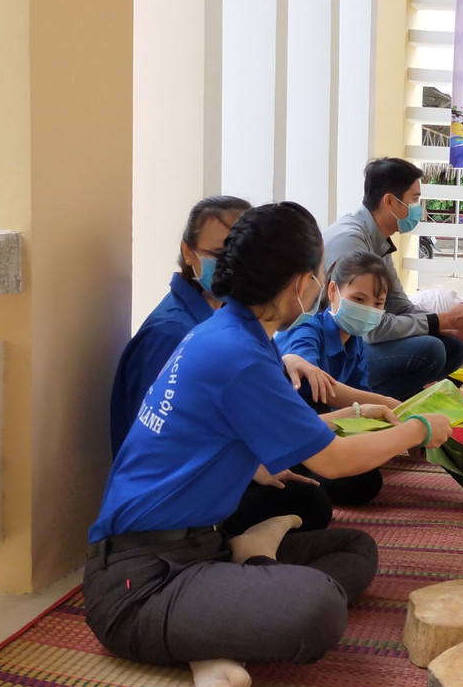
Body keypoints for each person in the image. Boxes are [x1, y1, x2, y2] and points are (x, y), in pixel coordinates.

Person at [85, 202, 453, 687]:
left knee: (356, 550)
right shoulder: (237, 353)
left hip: (204, 546)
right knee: (320, 609)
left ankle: (229, 599)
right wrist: (418, 429)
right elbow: (334, 463)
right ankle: (219, 616)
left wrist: (352, 413)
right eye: (319, 274)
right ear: (302, 283)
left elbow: (283, 427)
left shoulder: (237, 335)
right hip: (139, 584)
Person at [108, 195, 337, 535]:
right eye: (220, 253)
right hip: (176, 502)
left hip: (213, 465)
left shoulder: (230, 320)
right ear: (188, 253)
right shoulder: (172, 332)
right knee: (314, 497)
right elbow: (163, 441)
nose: (233, 263)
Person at [320, 158, 463, 399]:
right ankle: (366, 405)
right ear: (390, 201)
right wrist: (441, 321)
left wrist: (449, 327)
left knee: (453, 347)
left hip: (357, 343)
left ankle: (390, 405)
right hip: (334, 350)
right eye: (414, 199)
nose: (418, 208)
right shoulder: (351, 240)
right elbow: (369, 327)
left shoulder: (377, 239)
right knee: (430, 350)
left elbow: (399, 305)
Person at [276, 250, 408, 505]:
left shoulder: (355, 341)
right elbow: (319, 386)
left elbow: (358, 397)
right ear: (333, 291)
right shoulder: (306, 329)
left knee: (366, 474)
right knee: (359, 483)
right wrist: (388, 403)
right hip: (290, 430)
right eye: (358, 299)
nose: (368, 309)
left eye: (378, 303)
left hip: (323, 429)